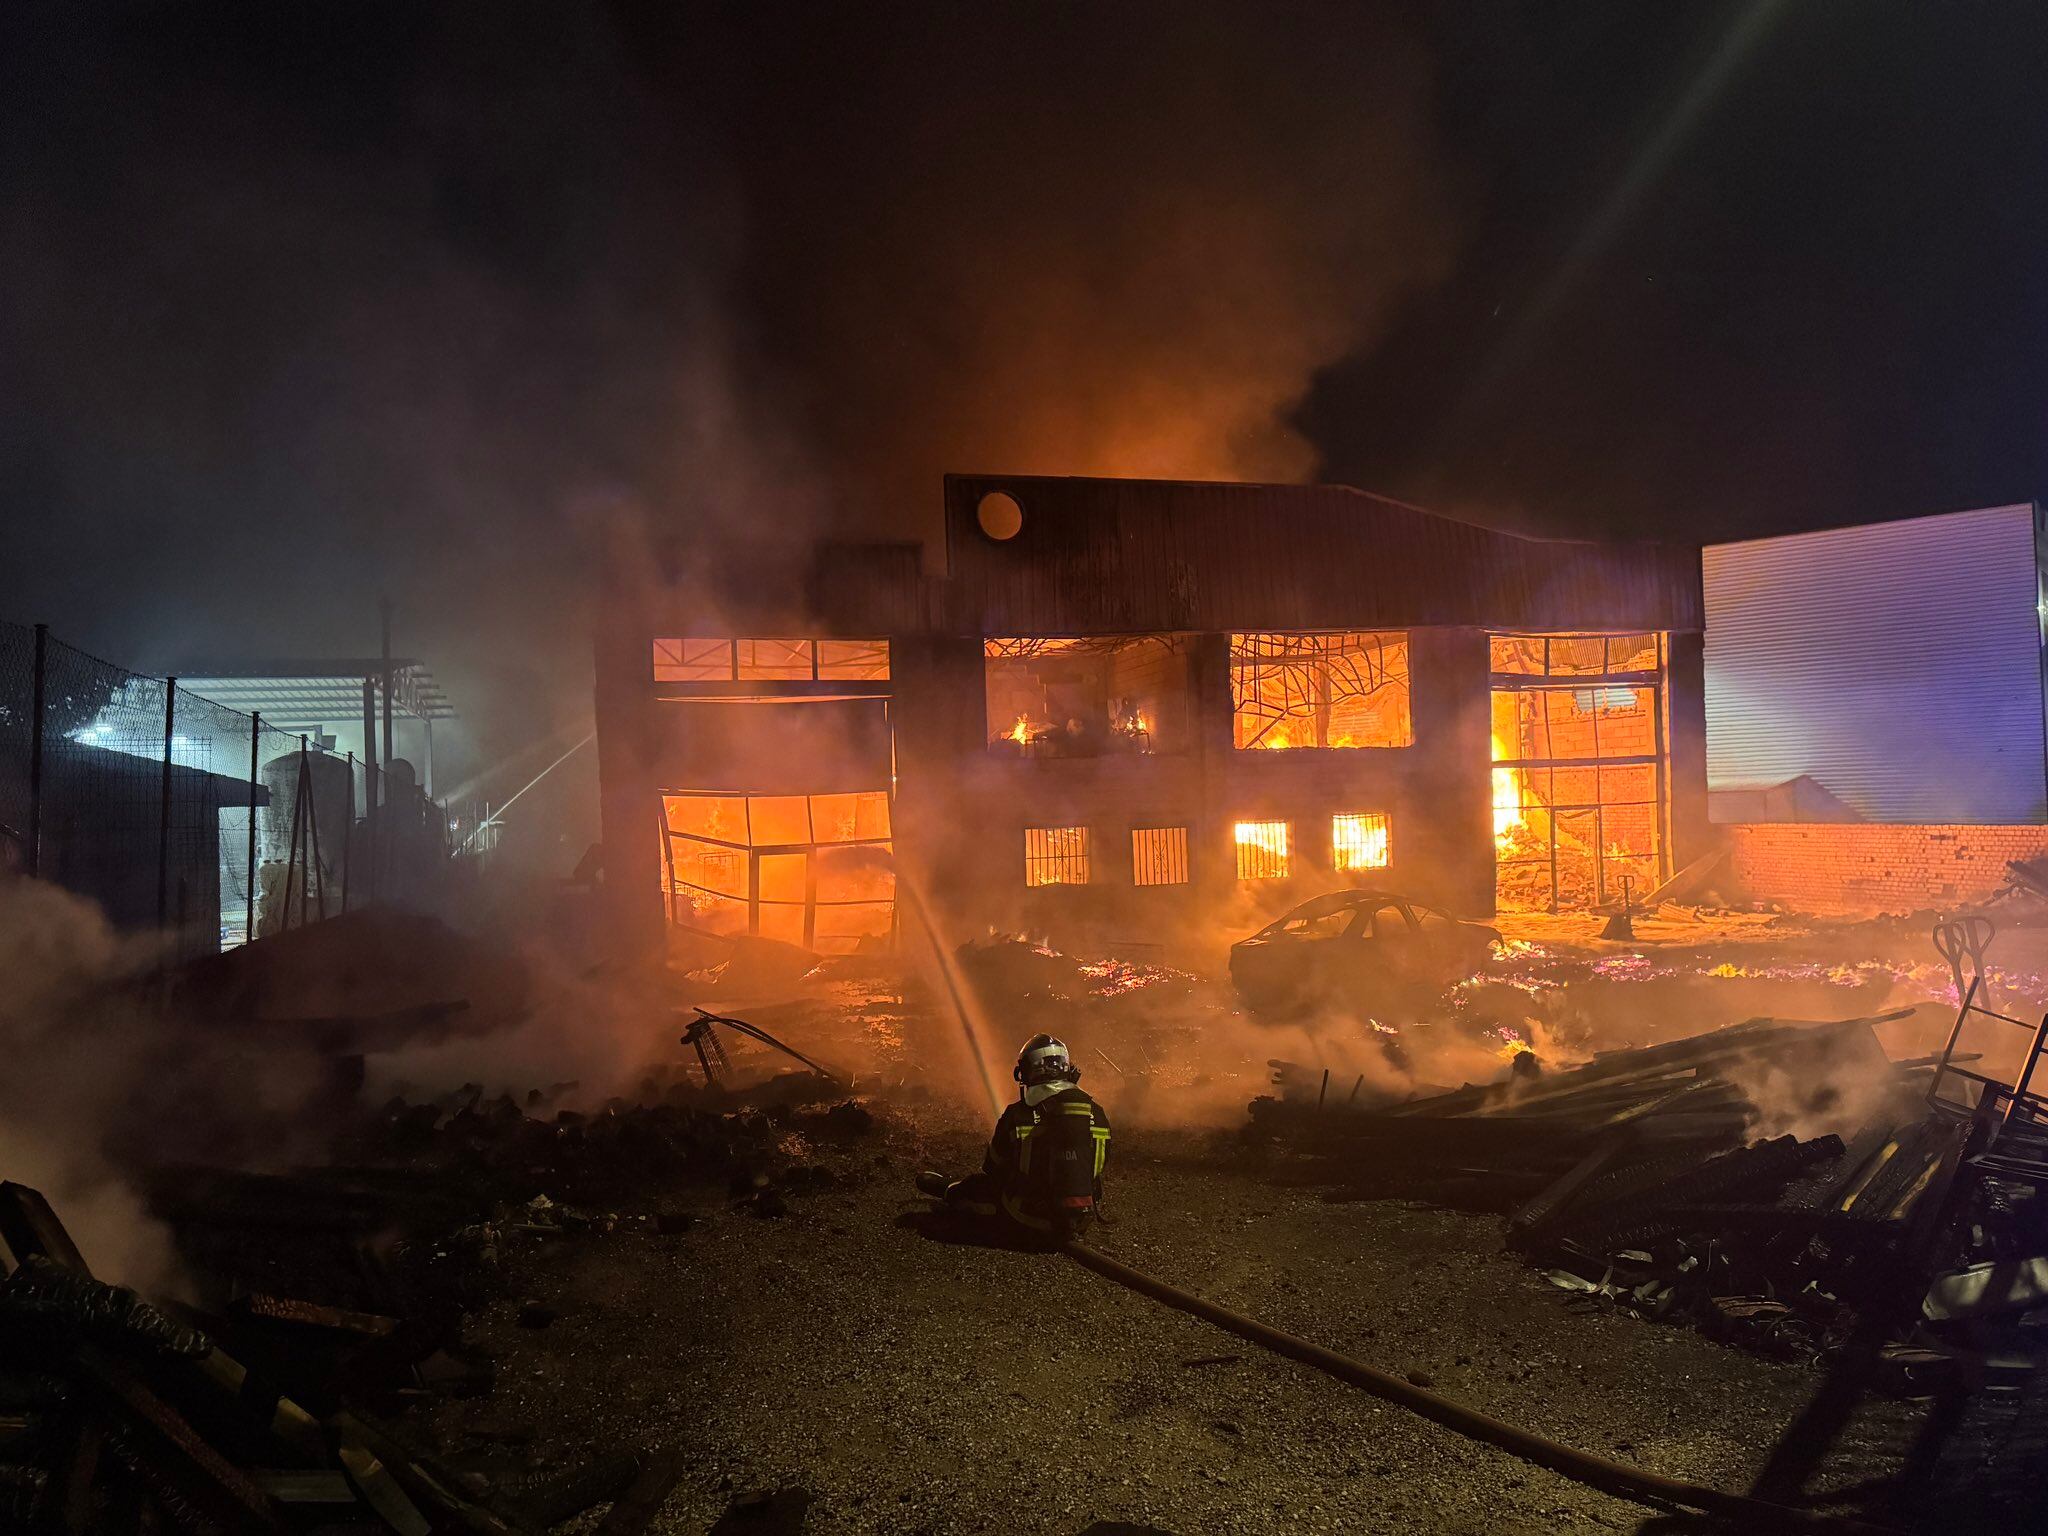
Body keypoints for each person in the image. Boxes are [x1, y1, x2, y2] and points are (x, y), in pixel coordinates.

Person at [917, 1034, 1111, 1238]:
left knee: (977, 1186)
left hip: (1027, 1217)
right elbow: (1098, 1166)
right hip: (1080, 1221)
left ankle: (950, 1192)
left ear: (1026, 1072)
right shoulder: (1096, 1113)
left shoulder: (1018, 1114)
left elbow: (992, 1167)